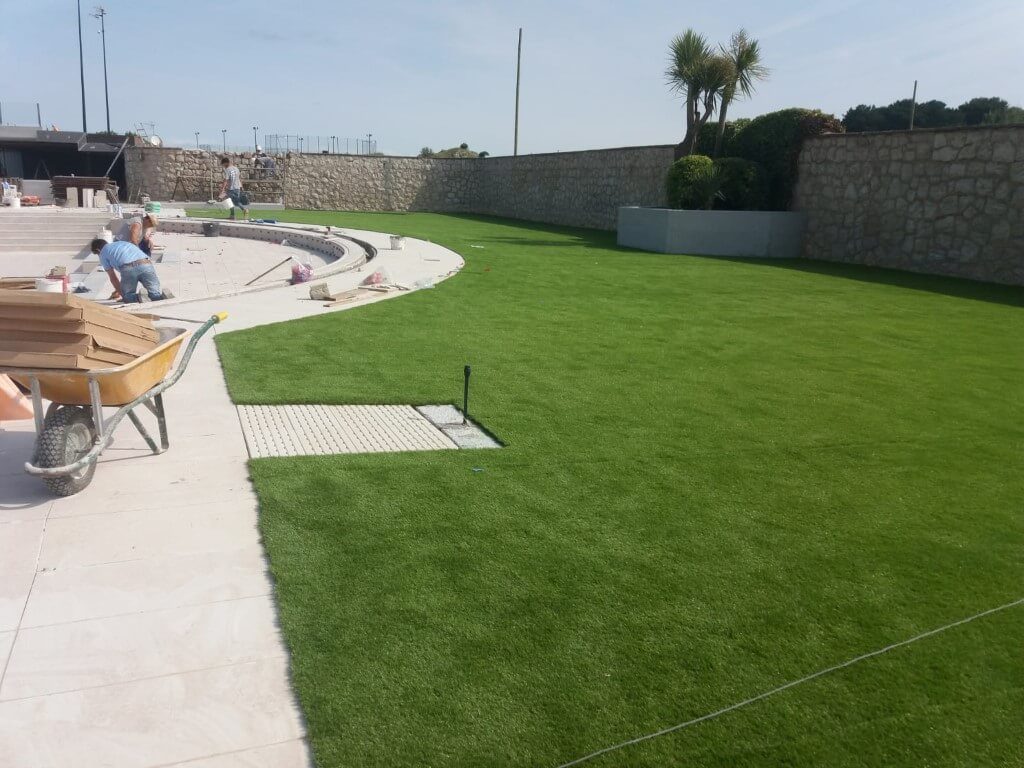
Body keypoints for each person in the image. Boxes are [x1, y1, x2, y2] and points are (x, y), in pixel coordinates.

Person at [89, 238, 167, 303]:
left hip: (129, 268)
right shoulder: (121, 243)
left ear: (98, 250)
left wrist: (122, 294)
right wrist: (119, 289)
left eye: (97, 253)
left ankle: (139, 297)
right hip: (146, 263)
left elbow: (113, 278)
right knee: (154, 293)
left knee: (128, 297)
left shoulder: (102, 253)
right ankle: (161, 296)